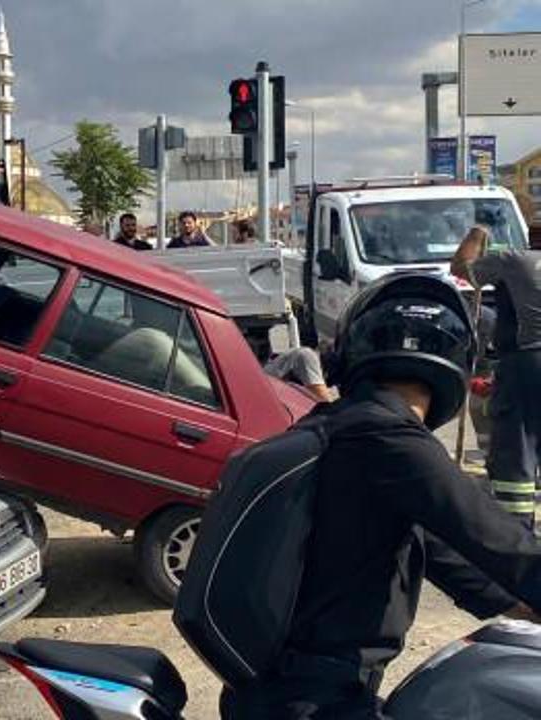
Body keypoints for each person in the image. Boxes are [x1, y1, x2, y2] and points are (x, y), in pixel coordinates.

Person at [220, 273, 541, 719]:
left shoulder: (339, 425)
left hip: (282, 689)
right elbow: (498, 540)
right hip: (316, 699)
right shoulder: (389, 439)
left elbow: (434, 542)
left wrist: (513, 605)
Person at [452, 225, 541, 532]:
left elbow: (461, 267)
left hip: (527, 365)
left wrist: (476, 235)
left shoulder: (515, 260)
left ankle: (516, 537)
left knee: (517, 453)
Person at [263, 345, 333, 402]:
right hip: (266, 392)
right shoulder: (308, 355)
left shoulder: (302, 353)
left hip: (270, 392)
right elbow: (323, 398)